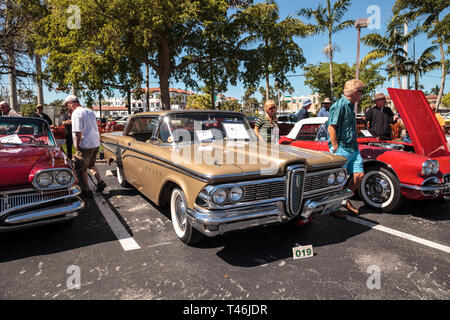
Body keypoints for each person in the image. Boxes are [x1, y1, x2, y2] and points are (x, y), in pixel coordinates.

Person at [328, 79, 365, 217]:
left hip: (353, 148)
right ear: (355, 92)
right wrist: (335, 147)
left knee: (359, 175)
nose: (361, 96)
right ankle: (334, 208)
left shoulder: (350, 106)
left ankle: (345, 200)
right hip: (342, 148)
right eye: (361, 92)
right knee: (338, 180)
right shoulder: (339, 106)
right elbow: (331, 127)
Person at [64, 95, 106, 198]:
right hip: (95, 143)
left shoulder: (76, 113)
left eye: (66, 105)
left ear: (71, 103)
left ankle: (87, 190)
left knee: (82, 169)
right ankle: (100, 181)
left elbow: (78, 132)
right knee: (91, 165)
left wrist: (77, 147)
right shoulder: (89, 111)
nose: (66, 107)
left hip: (85, 144)